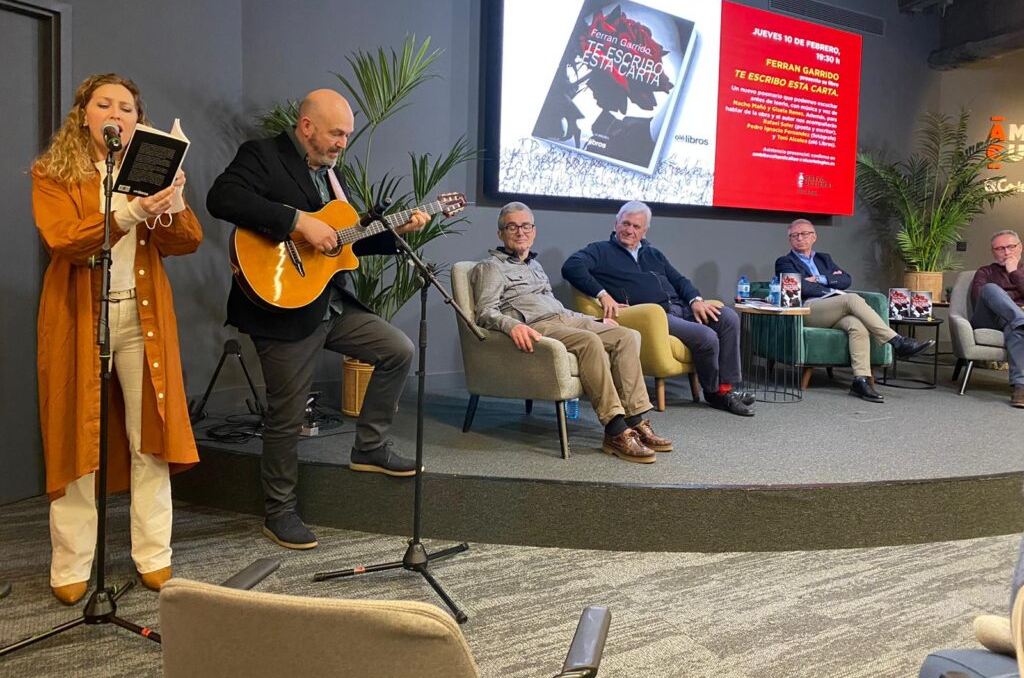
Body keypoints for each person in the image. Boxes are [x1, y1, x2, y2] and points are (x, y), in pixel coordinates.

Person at [206, 89, 427, 551]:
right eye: (336, 133)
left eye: (347, 134)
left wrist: (393, 232)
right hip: (280, 305)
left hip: (327, 303)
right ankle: (279, 512)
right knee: (286, 416)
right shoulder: (263, 155)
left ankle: (369, 446)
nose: (342, 142)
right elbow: (222, 198)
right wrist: (297, 223)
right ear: (306, 126)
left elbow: (344, 244)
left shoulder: (332, 176)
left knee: (397, 350)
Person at [32, 73, 202, 604]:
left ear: (138, 120)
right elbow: (65, 241)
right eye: (103, 104)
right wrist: (130, 211)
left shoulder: (150, 172)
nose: (115, 114)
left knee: (148, 438)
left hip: (143, 320)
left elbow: (187, 241)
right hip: (78, 318)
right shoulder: (52, 173)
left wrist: (169, 202)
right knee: (77, 439)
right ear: (84, 113)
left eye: (126, 108)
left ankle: (154, 556)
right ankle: (72, 562)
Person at [470, 202, 671, 464]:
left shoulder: (535, 265)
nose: (520, 232)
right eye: (512, 227)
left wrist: (595, 319)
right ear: (501, 234)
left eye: (525, 226)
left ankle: (635, 418)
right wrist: (512, 325)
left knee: (626, 335)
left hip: (562, 319)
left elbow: (557, 306)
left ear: (534, 231)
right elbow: (484, 311)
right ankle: (614, 428)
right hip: (536, 326)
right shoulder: (491, 267)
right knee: (589, 341)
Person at [562, 201, 754, 417]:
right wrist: (603, 295)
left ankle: (727, 387)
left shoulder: (653, 254)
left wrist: (696, 300)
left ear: (644, 231)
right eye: (625, 224)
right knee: (707, 336)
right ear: (616, 223)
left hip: (680, 308)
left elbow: (679, 280)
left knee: (727, 317)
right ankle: (715, 393)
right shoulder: (600, 250)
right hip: (654, 316)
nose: (629, 230)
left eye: (636, 227)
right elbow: (571, 267)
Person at [775, 218, 932, 402]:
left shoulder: (824, 258)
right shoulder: (784, 262)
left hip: (835, 307)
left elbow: (846, 280)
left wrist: (818, 279)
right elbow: (800, 288)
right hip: (809, 309)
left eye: (804, 234)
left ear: (814, 237)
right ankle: (897, 342)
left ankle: (861, 380)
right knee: (851, 299)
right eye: (795, 235)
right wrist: (828, 281)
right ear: (790, 240)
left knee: (857, 325)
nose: (800, 238)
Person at [969, 230, 1024, 408]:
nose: (1007, 252)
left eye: (1011, 247)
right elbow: (979, 297)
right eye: (1000, 248)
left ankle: (1020, 387)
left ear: (1020, 247)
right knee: (990, 289)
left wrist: (1014, 272)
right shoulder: (985, 272)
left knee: (1016, 329)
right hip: (990, 318)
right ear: (993, 252)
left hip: (1011, 322)